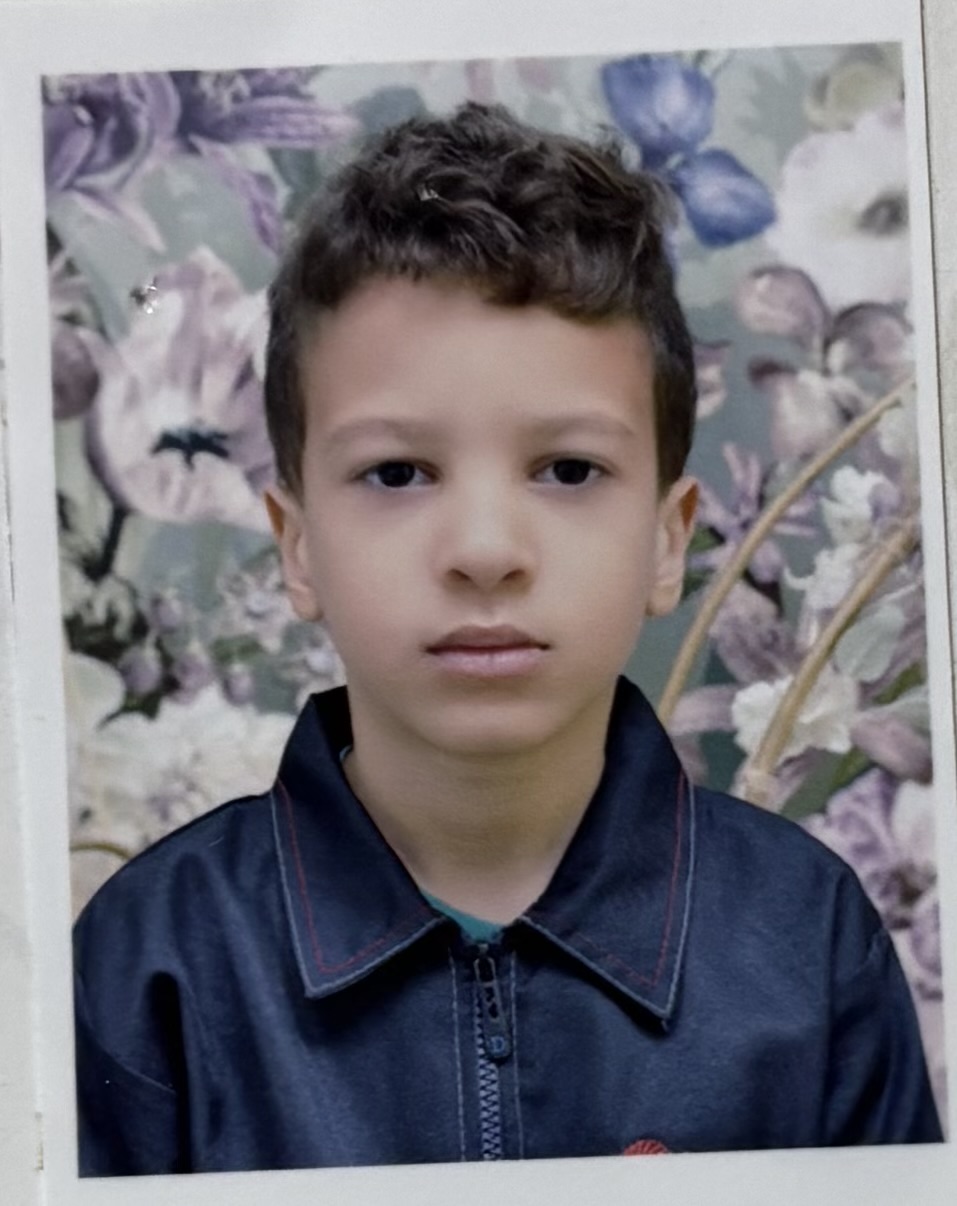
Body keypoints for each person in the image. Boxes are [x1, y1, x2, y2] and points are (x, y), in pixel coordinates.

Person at [73, 102, 942, 1175]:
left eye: (568, 469)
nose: (485, 550)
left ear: (667, 542)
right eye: (397, 472)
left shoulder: (809, 940)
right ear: (297, 548)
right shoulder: (148, 963)